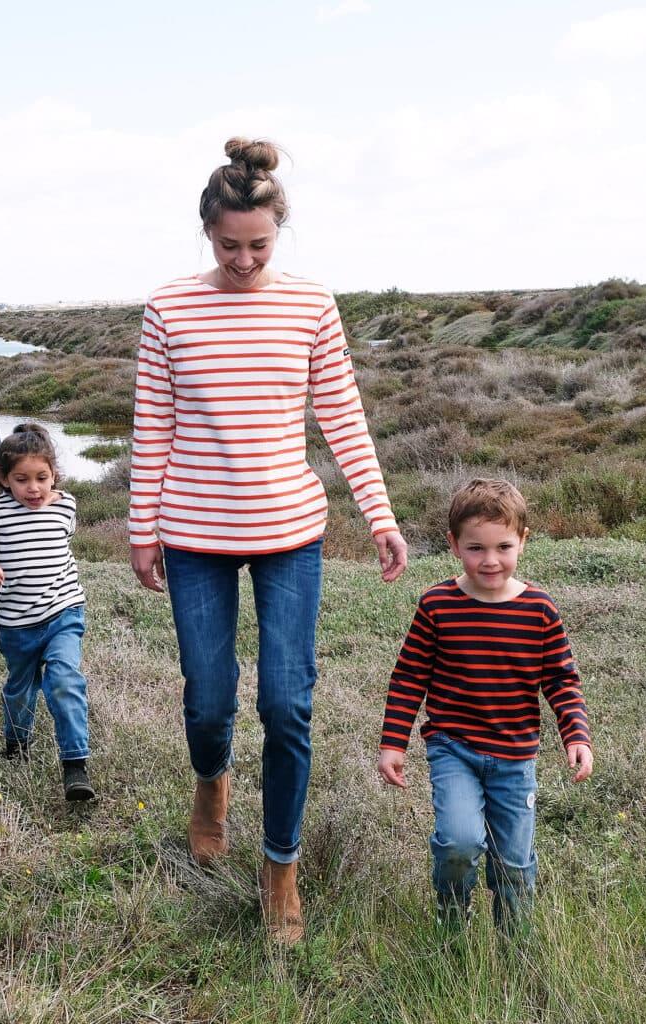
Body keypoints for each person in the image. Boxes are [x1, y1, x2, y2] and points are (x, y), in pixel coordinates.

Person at [129, 137, 408, 944]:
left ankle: (280, 868)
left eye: (260, 244)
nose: (245, 259)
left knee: (287, 704)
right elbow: (155, 424)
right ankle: (210, 782)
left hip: (291, 533)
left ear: (278, 231)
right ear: (206, 233)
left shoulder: (311, 304)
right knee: (210, 699)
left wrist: (380, 516)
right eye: (229, 245)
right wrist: (142, 529)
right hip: (193, 532)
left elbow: (344, 418)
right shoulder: (169, 307)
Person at [377, 478, 593, 931]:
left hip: (515, 757)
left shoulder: (539, 609)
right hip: (453, 748)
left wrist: (575, 734)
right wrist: (393, 743)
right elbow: (409, 677)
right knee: (459, 842)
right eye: (476, 548)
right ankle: (451, 919)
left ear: (523, 542)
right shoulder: (437, 605)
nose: (490, 560)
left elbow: (560, 678)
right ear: (454, 544)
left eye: (503, 547)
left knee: (513, 862)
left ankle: (514, 944)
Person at [0, 424, 95, 801]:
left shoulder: (67, 504)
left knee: (64, 681)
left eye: (42, 478)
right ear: (3, 479)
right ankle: (16, 745)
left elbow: (62, 545)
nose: (33, 488)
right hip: (17, 625)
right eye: (22, 479)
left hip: (64, 612)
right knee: (20, 689)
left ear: (54, 475)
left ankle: (75, 765)